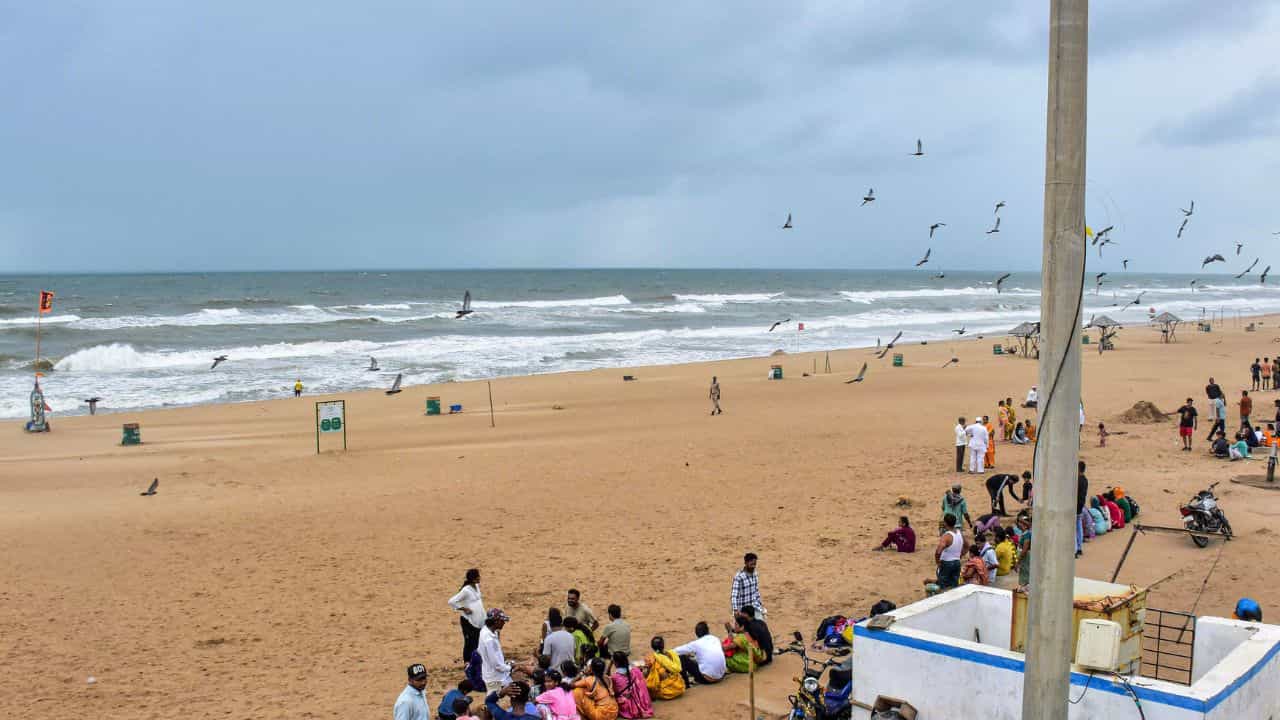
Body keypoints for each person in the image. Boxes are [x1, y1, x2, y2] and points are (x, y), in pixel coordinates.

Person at [479, 608, 524, 694]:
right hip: (496, 678)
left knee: (515, 692)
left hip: (494, 674)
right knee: (493, 699)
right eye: (502, 621)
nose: (504, 623)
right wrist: (509, 668)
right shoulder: (489, 640)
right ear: (495, 622)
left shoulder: (487, 631)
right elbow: (496, 665)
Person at [449, 568, 487, 664]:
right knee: (469, 643)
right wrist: (464, 608)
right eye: (478, 576)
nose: (480, 578)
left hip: (479, 620)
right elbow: (452, 601)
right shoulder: (466, 590)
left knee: (478, 640)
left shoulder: (476, 586)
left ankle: (478, 660)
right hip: (469, 621)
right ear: (473, 579)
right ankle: (467, 662)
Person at [610, 651, 653, 719]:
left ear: (615, 663)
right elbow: (643, 687)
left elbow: (612, 690)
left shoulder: (614, 677)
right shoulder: (636, 670)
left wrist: (609, 665)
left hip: (628, 707)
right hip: (641, 701)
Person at [730, 553, 765, 618]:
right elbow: (734, 595)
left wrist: (760, 605)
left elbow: (756, 591)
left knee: (760, 626)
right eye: (751, 564)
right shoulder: (739, 577)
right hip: (743, 611)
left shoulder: (755, 574)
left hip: (755, 608)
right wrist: (735, 610)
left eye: (754, 564)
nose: (753, 566)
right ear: (745, 563)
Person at [935, 514, 964, 591]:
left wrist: (937, 562)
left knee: (943, 586)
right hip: (957, 562)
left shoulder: (946, 536)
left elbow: (938, 551)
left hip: (947, 563)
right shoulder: (959, 533)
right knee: (954, 586)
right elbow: (967, 545)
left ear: (945, 523)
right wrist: (960, 555)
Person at [1076, 461, 1089, 558]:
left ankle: (1075, 549)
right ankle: (1079, 547)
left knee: (1074, 528)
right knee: (1078, 526)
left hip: (1076, 506)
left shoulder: (1078, 480)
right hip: (1081, 505)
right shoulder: (1085, 480)